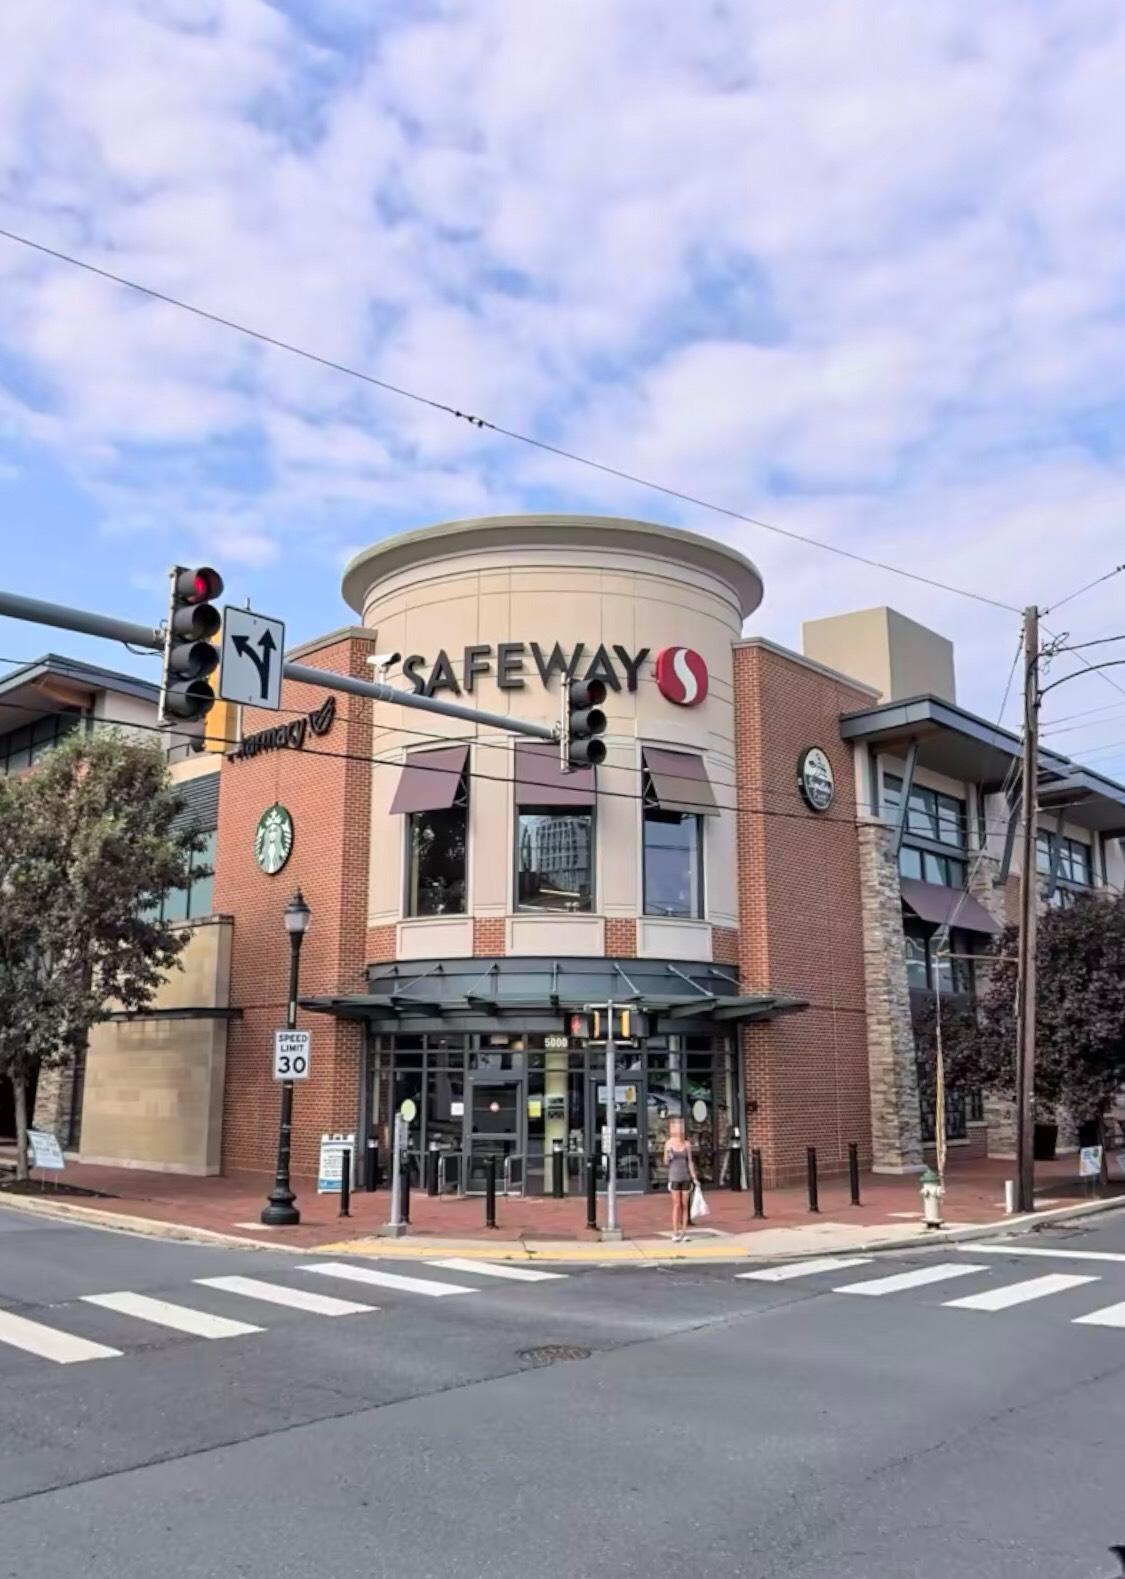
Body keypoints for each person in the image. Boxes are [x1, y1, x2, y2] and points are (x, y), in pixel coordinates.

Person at [664, 1117, 698, 1242]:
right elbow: (665, 1162)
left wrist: (694, 1177)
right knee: (676, 1204)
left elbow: (690, 1162)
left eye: (681, 1127)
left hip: (685, 1177)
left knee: (685, 1205)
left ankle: (684, 1232)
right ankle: (675, 1232)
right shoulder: (668, 1143)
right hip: (674, 1177)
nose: (679, 1129)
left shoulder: (687, 1144)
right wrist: (668, 1154)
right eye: (677, 1127)